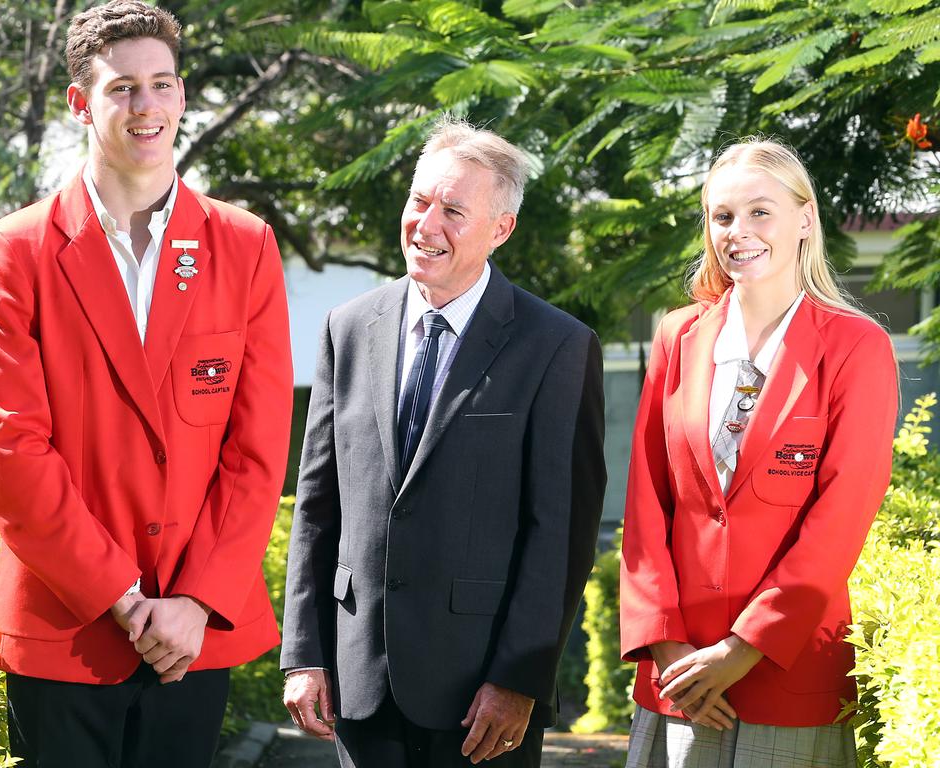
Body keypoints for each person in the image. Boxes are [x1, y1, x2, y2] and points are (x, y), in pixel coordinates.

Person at [0, 2, 292, 765]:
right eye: (123, 88)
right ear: (82, 102)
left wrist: (193, 602)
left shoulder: (245, 247)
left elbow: (258, 448)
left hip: (194, 629)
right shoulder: (17, 251)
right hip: (67, 627)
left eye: (162, 85)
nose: (146, 106)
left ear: (181, 96)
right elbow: (12, 452)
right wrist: (123, 597)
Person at [279, 117, 606, 768]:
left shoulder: (557, 348)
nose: (426, 225)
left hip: (481, 699)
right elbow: (318, 509)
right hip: (358, 683)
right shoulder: (347, 329)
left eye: (453, 210)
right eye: (419, 201)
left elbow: (560, 534)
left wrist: (520, 680)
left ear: (501, 228)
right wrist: (305, 655)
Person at [619, 137, 898, 767]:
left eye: (760, 212)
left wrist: (743, 648)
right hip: (680, 675)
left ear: (805, 219)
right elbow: (646, 501)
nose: (737, 231)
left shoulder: (856, 348)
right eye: (722, 217)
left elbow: (842, 518)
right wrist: (669, 650)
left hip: (789, 672)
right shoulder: (677, 337)